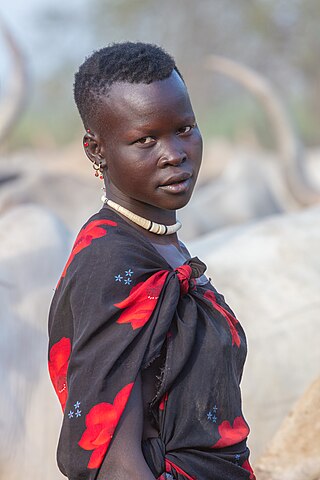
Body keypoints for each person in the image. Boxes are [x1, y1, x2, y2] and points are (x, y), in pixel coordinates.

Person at [48, 42, 256, 480]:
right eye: (145, 139)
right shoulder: (110, 262)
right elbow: (114, 461)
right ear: (95, 151)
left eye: (185, 128)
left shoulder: (160, 246)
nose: (175, 153)